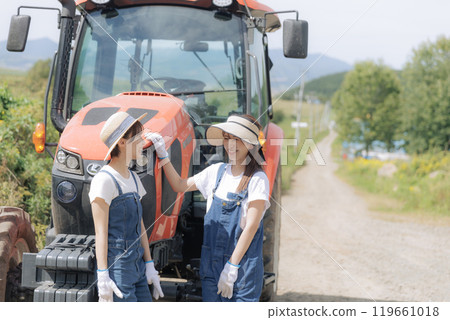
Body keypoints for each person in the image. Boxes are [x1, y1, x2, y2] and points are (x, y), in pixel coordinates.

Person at [146, 114, 270, 302]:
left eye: (237, 140)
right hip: (211, 265)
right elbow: (180, 185)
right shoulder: (216, 172)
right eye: (228, 138)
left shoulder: (258, 179)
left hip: (243, 269)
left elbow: (251, 226)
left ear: (251, 144)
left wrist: (232, 267)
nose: (231, 145)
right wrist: (163, 154)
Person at [89, 111, 164, 302]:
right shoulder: (104, 181)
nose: (143, 142)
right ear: (122, 142)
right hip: (118, 267)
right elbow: (101, 233)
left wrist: (149, 264)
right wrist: (103, 274)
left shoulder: (134, 178)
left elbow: (140, 227)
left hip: (137, 263)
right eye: (138, 138)